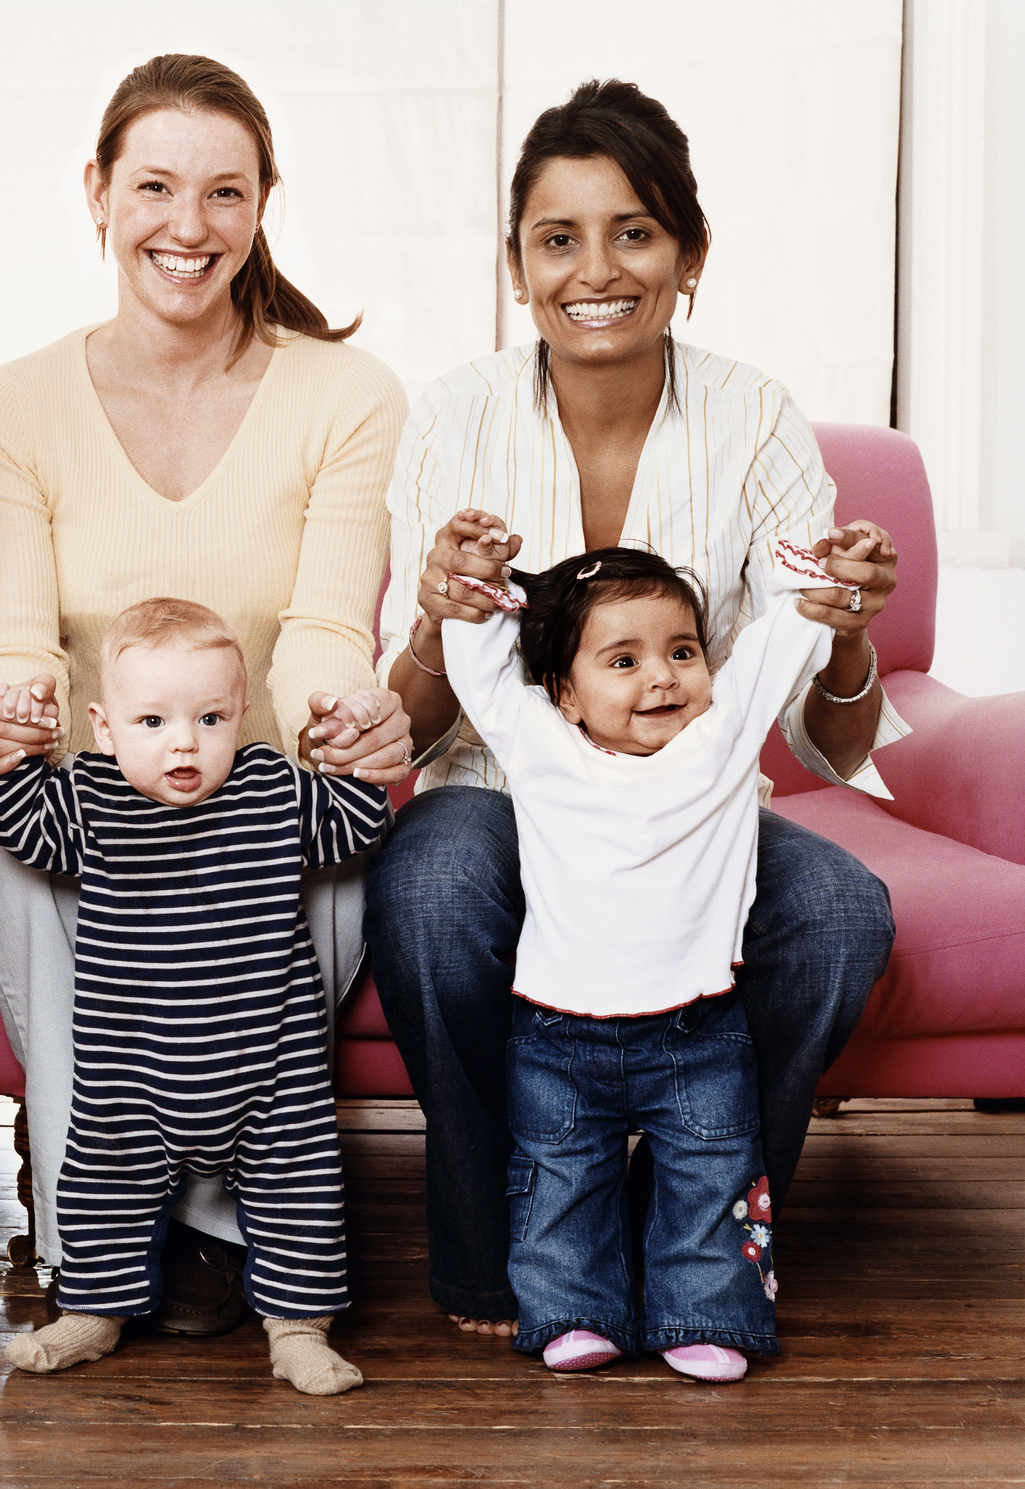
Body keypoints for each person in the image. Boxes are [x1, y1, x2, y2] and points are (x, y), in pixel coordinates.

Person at [364, 79, 902, 1340]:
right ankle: (495, 1245)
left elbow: (829, 736)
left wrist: (850, 627)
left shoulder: (755, 416)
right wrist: (442, 611)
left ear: (691, 256)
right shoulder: (454, 415)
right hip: (506, 801)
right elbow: (420, 722)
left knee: (837, 914)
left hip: (690, 813)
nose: (595, 270)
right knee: (431, 887)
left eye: (635, 232)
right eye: (558, 238)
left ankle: (698, 1221)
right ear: (516, 266)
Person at [0, 53, 414, 1333]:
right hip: (100, 777)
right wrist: (4, 717)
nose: (187, 226)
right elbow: (16, 639)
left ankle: (221, 1220)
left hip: (258, 772)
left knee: (321, 815)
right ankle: (80, 1209)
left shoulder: (348, 396)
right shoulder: (10, 407)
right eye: (154, 186)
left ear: (265, 203)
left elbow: (326, 625)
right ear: (98, 193)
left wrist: (339, 725)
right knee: (6, 834)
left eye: (224, 193)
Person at [445, 539, 862, 1382]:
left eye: (681, 652)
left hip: (699, 1031)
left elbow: (778, 641)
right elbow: (481, 671)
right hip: (558, 1038)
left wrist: (818, 579)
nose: (662, 678)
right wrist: (482, 587)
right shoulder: (538, 746)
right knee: (561, 1182)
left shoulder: (719, 742)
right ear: (563, 692)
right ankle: (571, 1310)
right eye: (622, 660)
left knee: (713, 1181)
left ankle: (705, 1316)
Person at [0, 600, 387, 1395]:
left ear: (241, 714)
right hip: (130, 1072)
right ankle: (94, 1313)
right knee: (101, 1186)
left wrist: (350, 751)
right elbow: (22, 830)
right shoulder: (90, 796)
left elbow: (354, 826)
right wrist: (15, 758)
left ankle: (298, 1329)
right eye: (152, 720)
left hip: (269, 1069)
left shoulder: (269, 785)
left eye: (208, 718)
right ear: (103, 727)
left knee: (300, 1191)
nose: (183, 741)